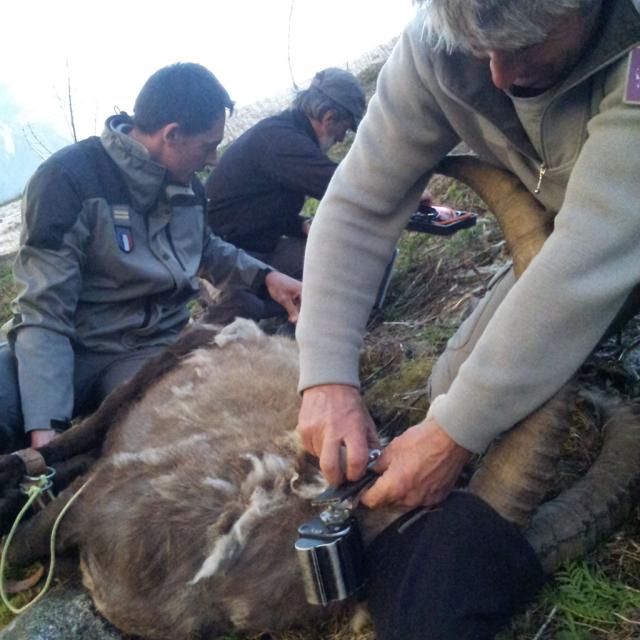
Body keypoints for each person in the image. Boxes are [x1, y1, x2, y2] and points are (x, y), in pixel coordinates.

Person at [295, 0, 640, 637]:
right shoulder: (438, 47)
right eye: (481, 49)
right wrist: (327, 379)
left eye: (527, 45)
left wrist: (454, 433)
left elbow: (598, 247)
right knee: (447, 387)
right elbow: (359, 205)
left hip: (614, 223)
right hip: (568, 236)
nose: (500, 76)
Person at [0, 63, 301, 455]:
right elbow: (44, 314)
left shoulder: (189, 186)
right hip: (68, 346)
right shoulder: (67, 180)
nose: (213, 159)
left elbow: (205, 247)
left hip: (147, 353)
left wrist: (266, 278)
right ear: (171, 135)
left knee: (167, 438)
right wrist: (46, 431)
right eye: (207, 145)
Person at [203, 68, 366, 324]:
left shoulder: (285, 133)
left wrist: (299, 223)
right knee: (348, 264)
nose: (342, 138)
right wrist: (400, 189)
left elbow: (254, 207)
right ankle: (245, 309)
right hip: (229, 260)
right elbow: (345, 187)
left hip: (252, 242)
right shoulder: (282, 142)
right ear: (328, 117)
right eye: (343, 129)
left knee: (346, 256)